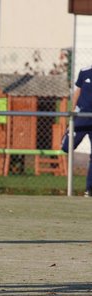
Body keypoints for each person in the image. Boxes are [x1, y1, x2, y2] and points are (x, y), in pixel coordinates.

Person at [61, 65, 92, 197]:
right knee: (67, 147)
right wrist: (73, 110)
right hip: (81, 117)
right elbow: (78, 91)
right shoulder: (85, 72)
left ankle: (89, 189)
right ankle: (67, 135)